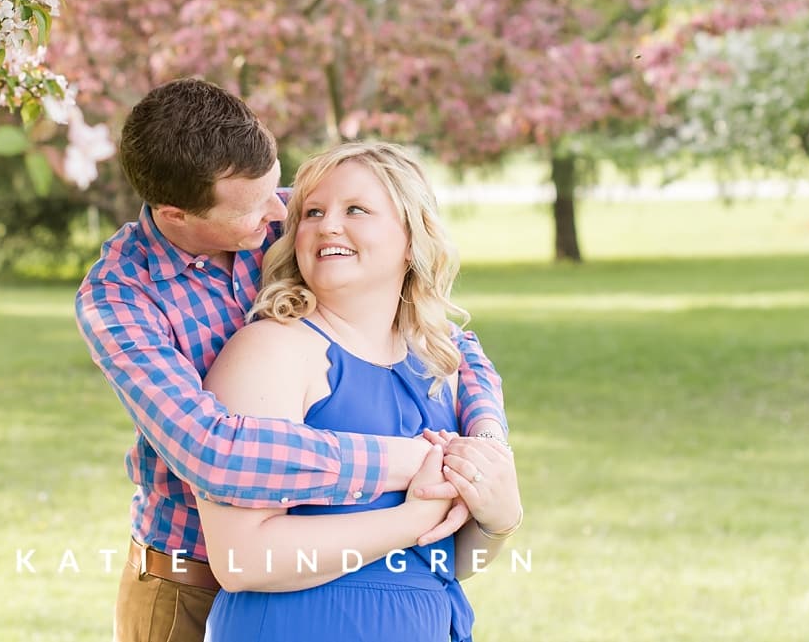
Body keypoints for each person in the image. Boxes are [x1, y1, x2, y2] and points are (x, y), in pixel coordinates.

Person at [75, 79, 510, 642]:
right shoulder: (119, 299)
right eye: (254, 209)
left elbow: (448, 342)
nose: (278, 216)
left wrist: (486, 445)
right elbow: (217, 451)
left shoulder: (290, 222)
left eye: (277, 192)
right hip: (187, 573)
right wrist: (416, 465)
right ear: (175, 214)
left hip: (342, 555)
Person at [198, 141, 522, 642]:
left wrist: (500, 520)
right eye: (312, 212)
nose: (328, 225)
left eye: (356, 210)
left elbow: (447, 559)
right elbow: (242, 559)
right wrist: (410, 519)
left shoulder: (439, 365)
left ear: (412, 239)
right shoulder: (273, 351)